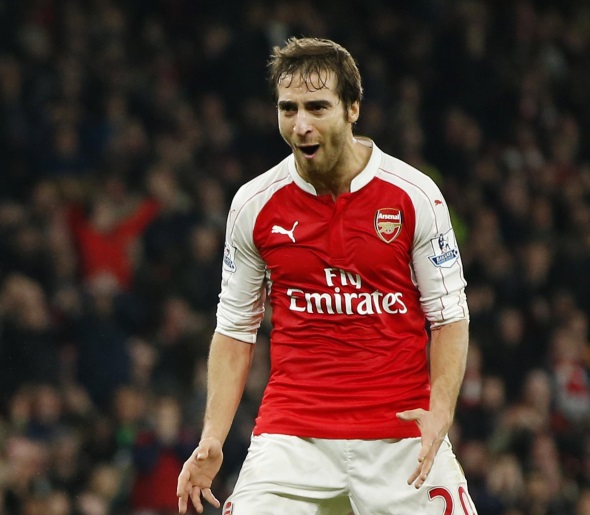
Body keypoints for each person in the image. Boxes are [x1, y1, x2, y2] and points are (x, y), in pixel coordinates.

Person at [177, 37, 477, 515]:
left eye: (317, 107)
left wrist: (440, 414)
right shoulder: (254, 205)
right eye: (288, 108)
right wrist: (212, 437)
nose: (300, 125)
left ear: (353, 108)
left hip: (400, 436)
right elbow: (235, 329)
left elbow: (449, 317)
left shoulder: (414, 195)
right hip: (292, 437)